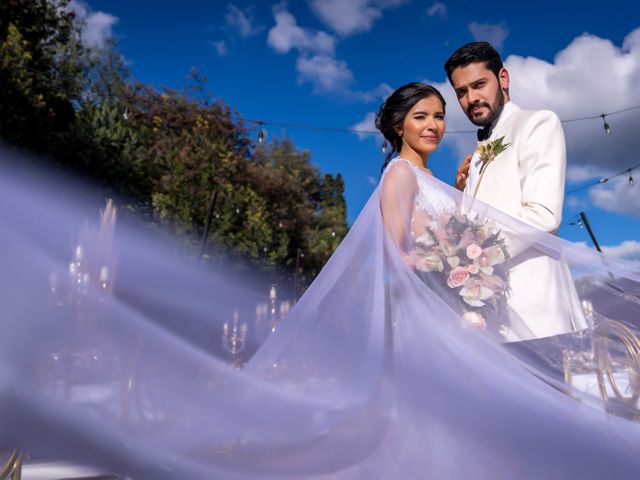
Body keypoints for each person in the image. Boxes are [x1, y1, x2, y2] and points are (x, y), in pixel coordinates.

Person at [444, 41, 588, 341]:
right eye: (461, 92)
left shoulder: (537, 123)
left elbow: (544, 215)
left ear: (503, 79)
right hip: (487, 317)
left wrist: (473, 257)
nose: (471, 98)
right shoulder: (477, 153)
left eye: (479, 85)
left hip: (535, 313)